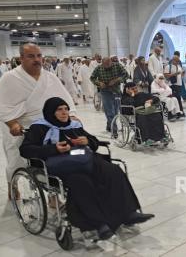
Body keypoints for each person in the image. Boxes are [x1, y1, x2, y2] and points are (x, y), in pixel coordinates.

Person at [19, 97, 153, 239]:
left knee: (113, 170)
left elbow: (94, 141)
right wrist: (53, 148)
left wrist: (88, 141)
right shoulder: (39, 127)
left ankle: (128, 213)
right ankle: (98, 224)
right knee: (81, 182)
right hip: (63, 166)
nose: (64, 113)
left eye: (66, 109)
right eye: (59, 110)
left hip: (86, 160)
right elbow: (25, 149)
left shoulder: (74, 125)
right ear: (50, 112)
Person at [0, 43, 77, 197]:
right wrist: (12, 123)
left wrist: (71, 116)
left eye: (38, 56)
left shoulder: (49, 77)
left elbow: (64, 99)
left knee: (52, 161)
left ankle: (53, 194)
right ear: (21, 58)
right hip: (20, 125)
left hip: (46, 126)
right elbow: (0, 105)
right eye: (31, 56)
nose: (36, 59)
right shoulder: (9, 78)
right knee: (15, 161)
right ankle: (13, 187)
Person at [90, 57, 129, 134]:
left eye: (108, 65)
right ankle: (114, 130)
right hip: (105, 91)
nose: (107, 67)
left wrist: (117, 80)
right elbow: (92, 78)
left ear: (111, 62)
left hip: (116, 90)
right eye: (105, 65)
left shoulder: (117, 66)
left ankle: (109, 126)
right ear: (102, 64)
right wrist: (99, 83)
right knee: (109, 111)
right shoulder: (99, 68)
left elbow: (126, 75)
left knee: (115, 110)